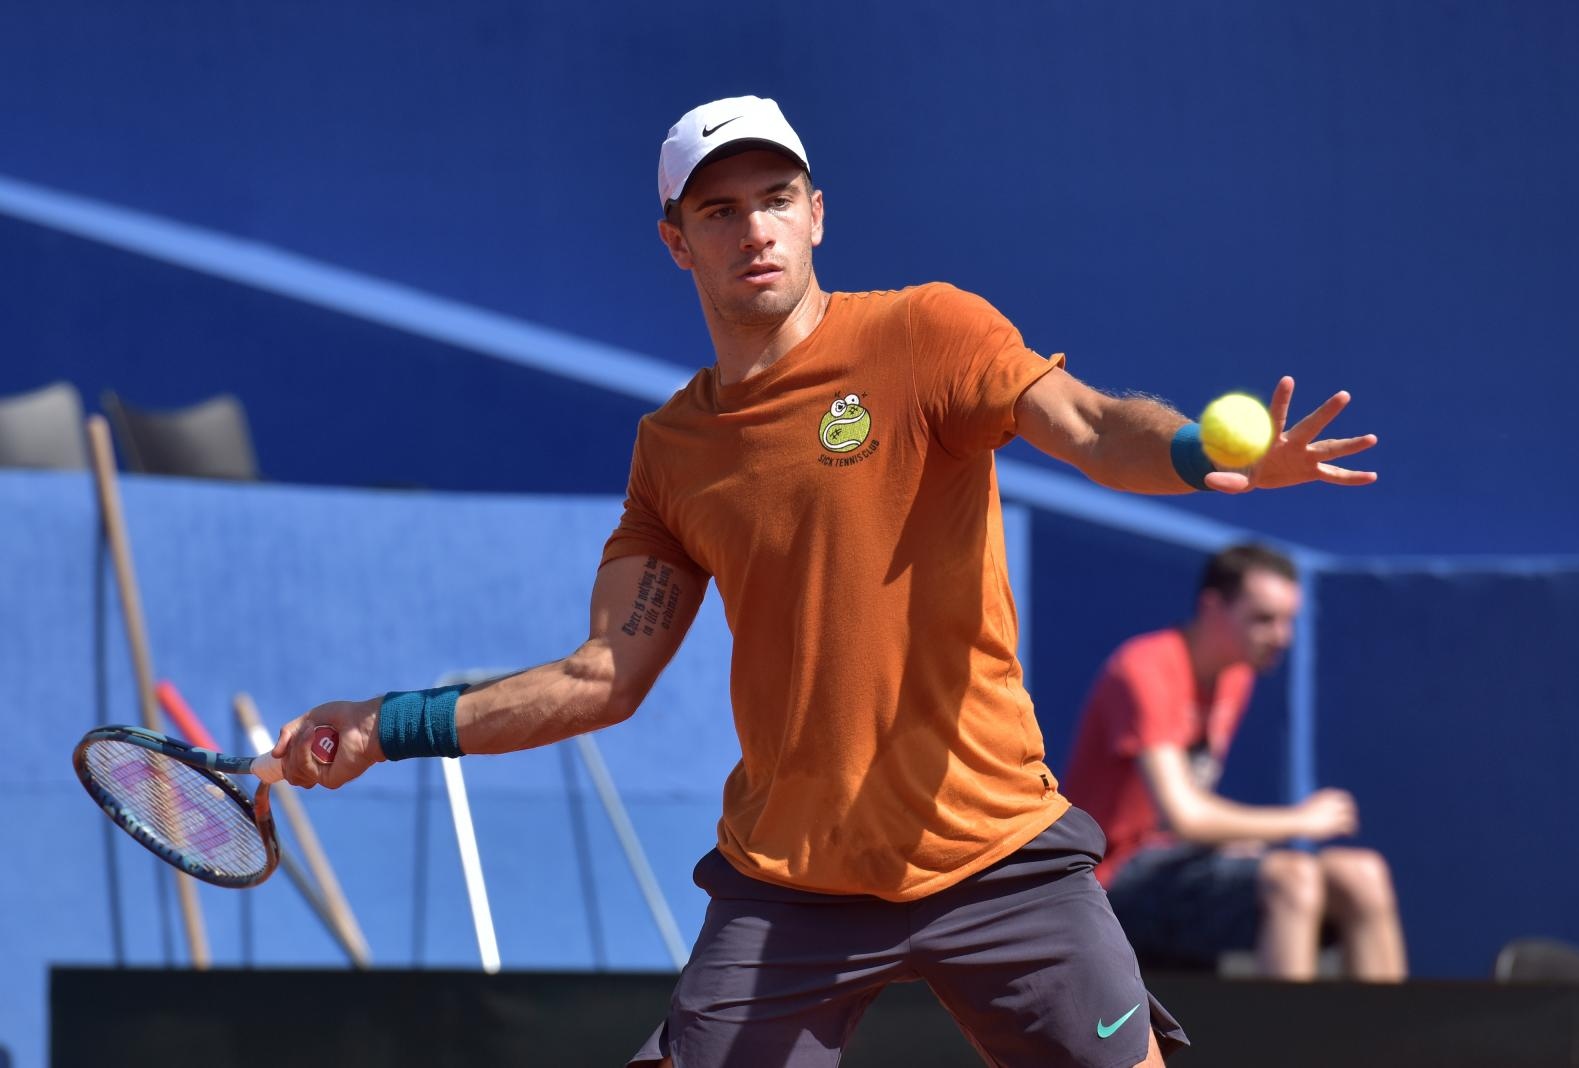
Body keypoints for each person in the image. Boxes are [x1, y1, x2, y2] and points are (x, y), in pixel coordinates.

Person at [272, 96, 1379, 1067]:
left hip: (993, 847)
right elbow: (603, 675)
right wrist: (387, 724)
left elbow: (1089, 425)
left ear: (815, 213)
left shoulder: (928, 334)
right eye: (718, 210)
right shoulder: (673, 450)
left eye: (775, 196)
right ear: (676, 243)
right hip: (792, 879)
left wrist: (1194, 452)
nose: (753, 227)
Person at [1060, 544, 1407, 982]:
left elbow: (1186, 816)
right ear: (1212, 607)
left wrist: (1226, 845)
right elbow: (1184, 815)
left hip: (1173, 865)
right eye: (1264, 619)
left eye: (1288, 620)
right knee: (1292, 878)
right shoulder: (1145, 668)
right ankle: (1283, 1051)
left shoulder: (1235, 676)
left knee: (1363, 874)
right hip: (1107, 885)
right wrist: (1300, 820)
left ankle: (1393, 1049)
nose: (1283, 637)